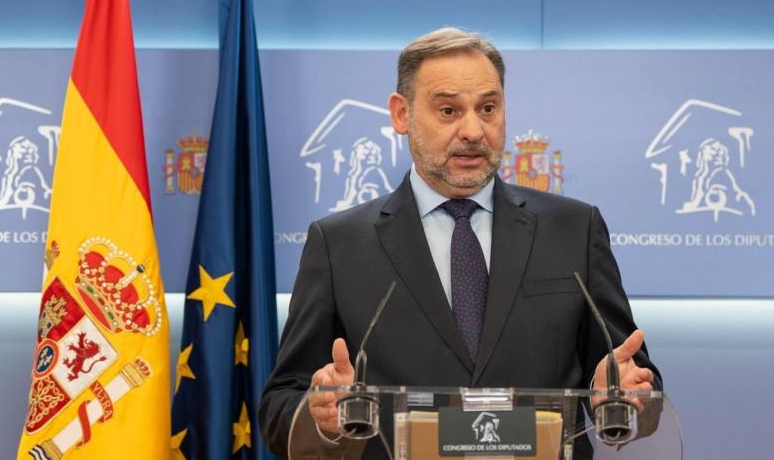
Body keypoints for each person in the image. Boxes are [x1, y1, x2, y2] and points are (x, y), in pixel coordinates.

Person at [258, 27, 660, 456]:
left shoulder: (574, 229)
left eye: (488, 108)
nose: (473, 130)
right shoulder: (338, 244)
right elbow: (280, 407)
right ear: (401, 114)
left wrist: (623, 395)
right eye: (448, 111)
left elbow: (638, 384)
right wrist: (321, 413)